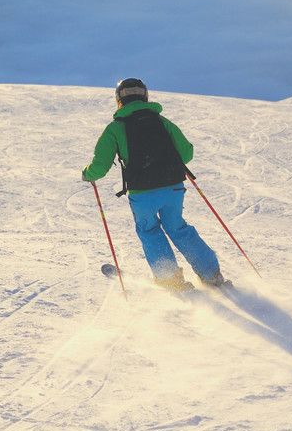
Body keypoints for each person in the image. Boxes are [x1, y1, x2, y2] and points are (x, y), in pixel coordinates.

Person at [82, 78, 226, 291]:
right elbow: (187, 153)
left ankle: (170, 280)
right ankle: (211, 275)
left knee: (149, 231)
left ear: (119, 100)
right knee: (178, 228)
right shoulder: (162, 122)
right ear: (145, 96)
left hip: (142, 193)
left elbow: (100, 167)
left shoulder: (115, 128)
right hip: (173, 187)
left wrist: (88, 174)